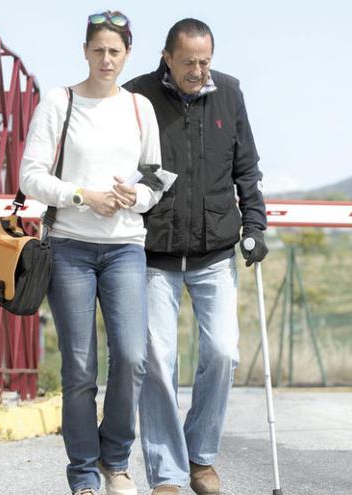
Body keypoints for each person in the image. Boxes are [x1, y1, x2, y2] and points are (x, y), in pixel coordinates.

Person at [20, 10, 172, 495]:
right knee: (80, 367)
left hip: (126, 246)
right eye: (99, 49)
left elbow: (154, 178)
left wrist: (137, 198)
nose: (106, 59)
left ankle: (116, 459)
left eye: (116, 51)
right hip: (69, 248)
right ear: (84, 51)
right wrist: (84, 195)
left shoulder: (138, 108)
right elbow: (31, 176)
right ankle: (84, 473)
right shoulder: (57, 102)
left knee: (131, 356)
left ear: (128, 54)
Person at [124, 17, 269, 495]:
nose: (198, 71)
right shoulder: (136, 97)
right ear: (167, 57)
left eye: (205, 61)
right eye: (188, 62)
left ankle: (200, 458)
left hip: (214, 251)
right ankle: (167, 473)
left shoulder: (229, 92)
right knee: (157, 359)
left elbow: (246, 167)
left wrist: (256, 225)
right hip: (153, 253)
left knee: (224, 352)